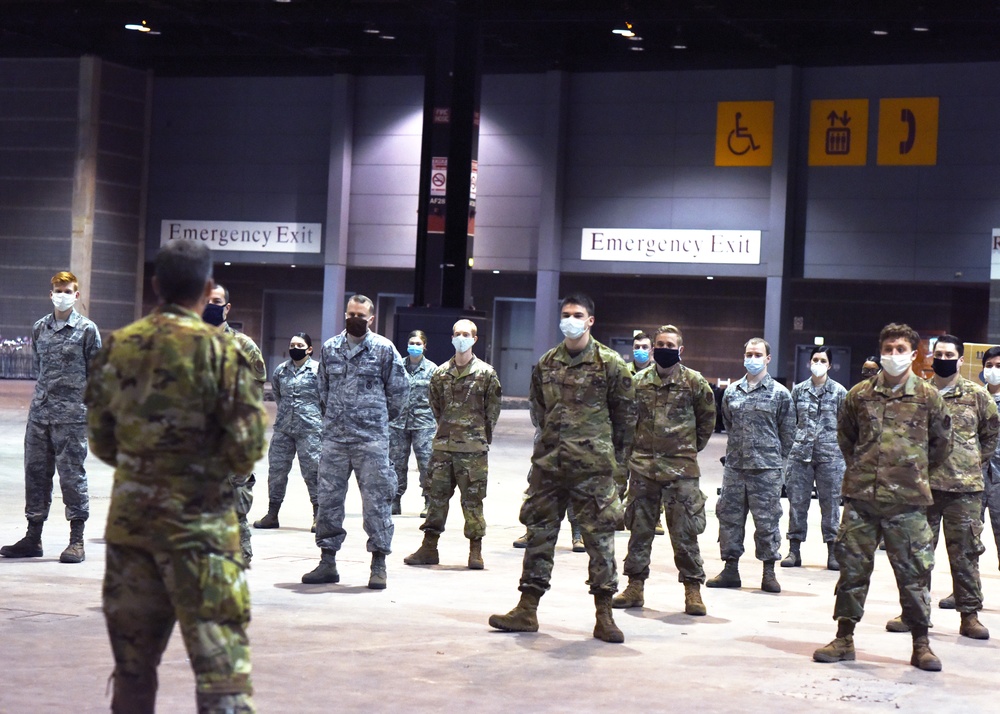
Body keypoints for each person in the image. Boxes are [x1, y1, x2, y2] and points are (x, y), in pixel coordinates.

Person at [84, 240, 266, 712]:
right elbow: (247, 450)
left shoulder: (118, 347)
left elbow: (102, 442)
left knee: (133, 671)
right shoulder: (223, 353)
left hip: (133, 535)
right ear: (208, 290)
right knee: (222, 676)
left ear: (156, 286)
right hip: (202, 536)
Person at [489, 294, 635, 643]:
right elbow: (539, 411)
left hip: (593, 469)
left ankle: (604, 615)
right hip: (550, 466)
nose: (570, 319)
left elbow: (627, 421)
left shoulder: (610, 364)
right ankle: (527, 609)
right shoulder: (547, 363)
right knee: (539, 534)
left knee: (600, 541)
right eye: (566, 314)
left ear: (590, 321)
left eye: (577, 314)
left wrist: (617, 470)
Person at [814, 323, 952, 672]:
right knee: (852, 570)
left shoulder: (928, 396)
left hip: (907, 502)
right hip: (862, 499)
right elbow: (846, 438)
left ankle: (921, 643)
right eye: (888, 348)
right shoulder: (859, 394)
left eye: (900, 349)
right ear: (881, 350)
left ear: (914, 353)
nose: (893, 355)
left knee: (914, 574)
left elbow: (941, 446)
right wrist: (865, 469)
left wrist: (911, 473)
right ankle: (844, 639)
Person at [883, 335, 998, 639]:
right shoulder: (917, 393)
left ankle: (969, 615)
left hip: (965, 490)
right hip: (923, 491)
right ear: (931, 358)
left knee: (966, 554)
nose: (943, 358)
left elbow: (990, 436)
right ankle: (914, 614)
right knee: (917, 554)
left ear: (961, 360)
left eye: (950, 354)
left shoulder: (977, 396)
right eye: (939, 354)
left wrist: (971, 463)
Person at [302, 294, 408, 590]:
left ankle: (378, 563)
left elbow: (399, 393)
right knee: (328, 501)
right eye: (351, 314)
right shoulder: (331, 348)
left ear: (371, 319)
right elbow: (321, 388)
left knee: (377, 502)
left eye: (361, 315)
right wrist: (335, 418)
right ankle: (327, 562)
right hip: (335, 439)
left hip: (371, 440)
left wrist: (376, 420)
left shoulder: (384, 349)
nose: (355, 319)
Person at [613, 325, 716, 616]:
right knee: (639, 530)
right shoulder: (638, 382)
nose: (663, 348)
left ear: (680, 350)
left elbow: (707, 423)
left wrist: (684, 450)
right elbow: (628, 421)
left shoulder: (695, 383)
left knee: (684, 534)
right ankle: (634, 587)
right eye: (659, 343)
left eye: (670, 344)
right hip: (643, 468)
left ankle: (692, 589)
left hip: (681, 471)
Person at [1, 271, 101, 563]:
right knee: (35, 475)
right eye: (58, 290)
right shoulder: (39, 328)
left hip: (72, 418)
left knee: (72, 478)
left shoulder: (87, 330)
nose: (62, 294)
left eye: (68, 290)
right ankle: (33, 538)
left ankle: (76, 540)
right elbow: (39, 369)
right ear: (51, 293)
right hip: (40, 415)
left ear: (77, 295)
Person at [404, 319, 502, 569]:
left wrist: (478, 437)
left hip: (473, 450)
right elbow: (436, 407)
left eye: (466, 334)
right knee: (436, 499)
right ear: (451, 337)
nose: (461, 338)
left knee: (473, 502)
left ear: (475, 339)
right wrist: (448, 431)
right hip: (443, 448)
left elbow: (492, 412)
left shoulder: (486, 374)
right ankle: (429, 548)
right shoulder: (440, 374)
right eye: (457, 333)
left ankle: (475, 551)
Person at [707, 337, 794, 593]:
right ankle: (730, 570)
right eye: (748, 354)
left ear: (768, 359)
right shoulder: (732, 392)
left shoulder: (780, 394)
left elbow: (787, 435)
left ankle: (768, 572)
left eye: (757, 354)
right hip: (735, 468)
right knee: (730, 519)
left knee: (767, 522)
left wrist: (780, 470)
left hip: (766, 470)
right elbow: (729, 425)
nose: (752, 359)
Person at [204, 283, 266, 565]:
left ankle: (241, 543)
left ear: (227, 307)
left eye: (216, 301)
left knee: (236, 491)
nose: (210, 305)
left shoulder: (245, 346)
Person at [781, 346, 847, 571]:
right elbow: (790, 423)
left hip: (831, 458)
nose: (818, 363)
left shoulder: (839, 392)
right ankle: (794, 550)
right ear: (809, 363)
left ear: (829, 365)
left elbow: (847, 426)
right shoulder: (798, 391)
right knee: (797, 504)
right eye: (815, 360)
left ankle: (833, 551)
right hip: (801, 456)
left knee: (831, 507)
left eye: (823, 360)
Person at [253, 333, 322, 531]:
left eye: (300, 345)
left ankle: (319, 515)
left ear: (309, 349)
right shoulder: (281, 370)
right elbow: (277, 394)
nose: (295, 347)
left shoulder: (318, 371)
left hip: (310, 430)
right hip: (283, 429)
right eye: (292, 344)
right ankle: (272, 514)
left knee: (313, 473)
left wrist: (316, 419)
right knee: (276, 472)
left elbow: (326, 398)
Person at [389, 330, 438, 517]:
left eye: (418, 344)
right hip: (398, 423)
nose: (415, 346)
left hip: (423, 423)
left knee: (426, 463)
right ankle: (394, 500)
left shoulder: (433, 369)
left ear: (425, 346)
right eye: (412, 343)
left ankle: (428, 501)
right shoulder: (397, 367)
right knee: (396, 463)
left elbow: (438, 397)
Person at [981, 346, 1000, 571]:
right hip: (974, 477)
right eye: (989, 366)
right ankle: (964, 591)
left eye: (998, 366)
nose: (993, 370)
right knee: (967, 538)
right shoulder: (974, 397)